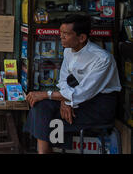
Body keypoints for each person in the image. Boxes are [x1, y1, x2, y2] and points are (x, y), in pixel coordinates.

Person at [23, 14, 121, 154]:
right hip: (77, 99)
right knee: (40, 106)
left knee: (46, 117)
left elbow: (83, 92)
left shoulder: (102, 59)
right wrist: (65, 101)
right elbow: (63, 80)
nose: (61, 37)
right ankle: (44, 151)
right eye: (60, 33)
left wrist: (51, 95)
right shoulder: (68, 50)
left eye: (66, 34)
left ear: (81, 38)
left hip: (98, 107)